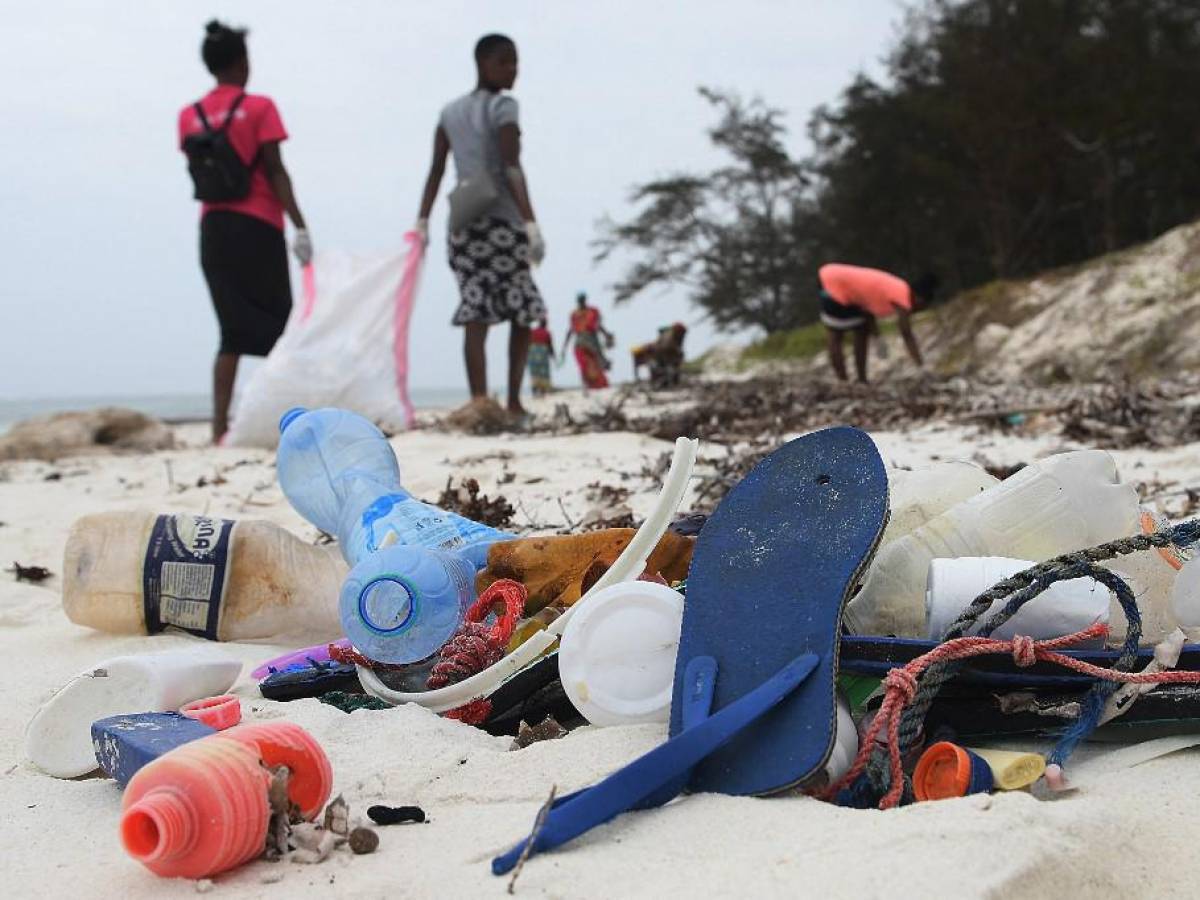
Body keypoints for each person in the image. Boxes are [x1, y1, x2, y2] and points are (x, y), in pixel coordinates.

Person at [178, 21, 311, 444]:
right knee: (280, 327)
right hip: (258, 224)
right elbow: (275, 169)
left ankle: (219, 426)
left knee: (230, 331)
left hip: (214, 229)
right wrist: (300, 224)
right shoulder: (259, 107)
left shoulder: (189, 117)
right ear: (242, 62)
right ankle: (286, 416)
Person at [415, 33, 546, 419]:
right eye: (505, 62)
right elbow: (511, 168)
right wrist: (531, 222)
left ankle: (479, 401)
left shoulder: (449, 113)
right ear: (483, 64)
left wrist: (423, 219)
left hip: (463, 225)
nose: (512, 70)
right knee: (521, 307)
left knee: (477, 307)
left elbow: (437, 172)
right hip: (502, 222)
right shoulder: (505, 107)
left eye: (515, 62)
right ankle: (514, 401)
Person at [817, 264, 933, 383]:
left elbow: (867, 313)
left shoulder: (898, 286)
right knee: (836, 332)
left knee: (858, 329)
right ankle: (848, 381)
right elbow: (906, 333)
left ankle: (856, 380)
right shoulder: (903, 298)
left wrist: (877, 338)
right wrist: (921, 366)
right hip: (835, 284)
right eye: (922, 307)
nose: (918, 310)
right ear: (920, 299)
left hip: (830, 275)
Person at [561, 292, 614, 390]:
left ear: (585, 300)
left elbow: (598, 326)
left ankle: (598, 385)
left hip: (592, 342)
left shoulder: (593, 312)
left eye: (583, 299)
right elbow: (571, 330)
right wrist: (564, 347)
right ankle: (587, 386)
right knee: (584, 365)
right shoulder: (574, 315)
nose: (581, 302)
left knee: (595, 363)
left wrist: (606, 335)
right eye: (580, 300)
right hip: (580, 343)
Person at [527, 316, 555, 397]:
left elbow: (528, 343)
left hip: (533, 353)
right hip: (542, 354)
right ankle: (542, 391)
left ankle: (535, 391)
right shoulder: (546, 333)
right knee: (543, 373)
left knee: (535, 372)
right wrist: (553, 356)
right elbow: (550, 345)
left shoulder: (533, 331)